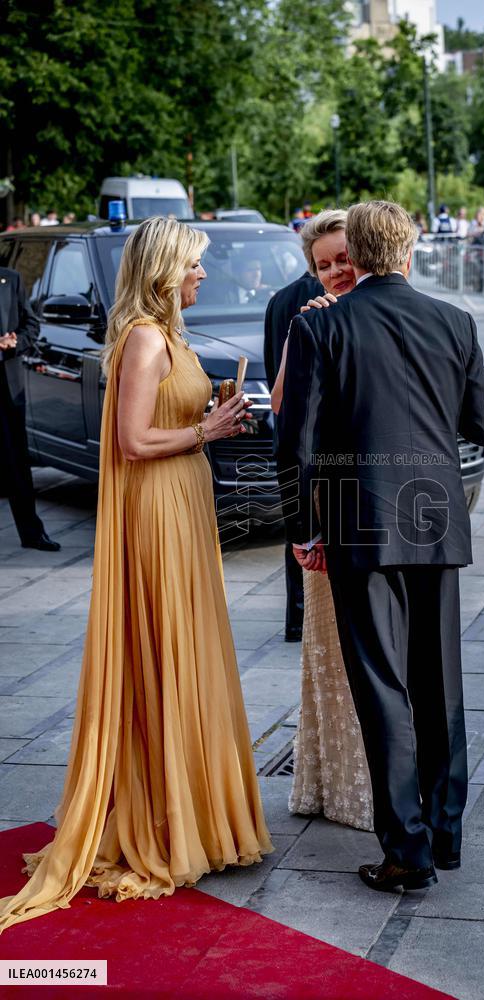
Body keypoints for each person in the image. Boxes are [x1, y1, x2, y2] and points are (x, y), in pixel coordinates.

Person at [0, 217, 272, 932]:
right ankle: (164, 821)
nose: (203, 275)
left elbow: (163, 418)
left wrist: (211, 415)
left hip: (183, 496)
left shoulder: (169, 333)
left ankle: (195, 814)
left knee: (190, 649)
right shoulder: (146, 338)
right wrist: (204, 432)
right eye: (193, 266)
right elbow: (129, 439)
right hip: (157, 506)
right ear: (162, 271)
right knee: (163, 651)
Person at [277, 200, 484, 892]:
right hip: (434, 521)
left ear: (362, 255)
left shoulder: (324, 327)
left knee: (383, 686)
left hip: (358, 521)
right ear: (407, 251)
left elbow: (299, 444)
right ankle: (444, 833)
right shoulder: (455, 322)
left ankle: (407, 849)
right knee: (440, 684)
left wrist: (303, 530)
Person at [271, 209, 373, 831]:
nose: (335, 271)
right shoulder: (309, 320)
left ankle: (366, 781)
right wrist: (301, 340)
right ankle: (329, 782)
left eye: (342, 259)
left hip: (382, 504)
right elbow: (285, 409)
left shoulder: (385, 313)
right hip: (328, 504)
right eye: (323, 265)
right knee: (327, 649)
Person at [263, 248, 323, 644]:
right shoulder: (327, 299)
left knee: (297, 528)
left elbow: (271, 366)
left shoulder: (278, 299)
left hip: (286, 423)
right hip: (316, 431)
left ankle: (296, 620)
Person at [0, 265, 60, 551]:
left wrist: (15, 343)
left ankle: (32, 533)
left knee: (17, 462)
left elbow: (31, 325)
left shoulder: (10, 278)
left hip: (7, 387)